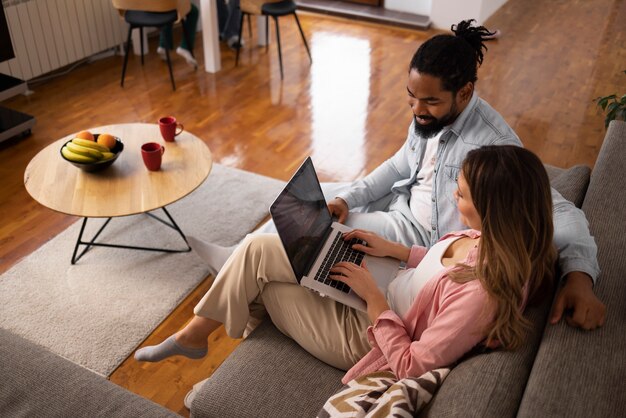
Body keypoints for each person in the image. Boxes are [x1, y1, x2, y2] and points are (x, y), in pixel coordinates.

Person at [189, 19, 606, 330]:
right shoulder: (428, 119)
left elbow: (560, 211)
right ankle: (239, 260)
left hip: (423, 241)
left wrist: (581, 276)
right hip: (401, 209)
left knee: (300, 234)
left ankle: (235, 268)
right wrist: (348, 199)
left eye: (429, 101)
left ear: (464, 93)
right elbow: (401, 164)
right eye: (410, 98)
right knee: (304, 206)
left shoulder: (493, 151)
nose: (417, 111)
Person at [135, 145, 557, 384]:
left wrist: (374, 298)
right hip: (388, 288)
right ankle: (196, 334)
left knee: (264, 281)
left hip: (373, 336)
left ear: (495, 208)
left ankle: (215, 362)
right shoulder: (493, 240)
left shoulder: (484, 294)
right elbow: (436, 269)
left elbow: (411, 365)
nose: (453, 200)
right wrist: (390, 250)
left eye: (461, 196)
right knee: (259, 250)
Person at [157, 1, 199, 68]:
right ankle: (185, 47)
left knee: (166, 9)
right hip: (166, 6)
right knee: (193, 11)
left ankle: (163, 45)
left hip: (146, 10)